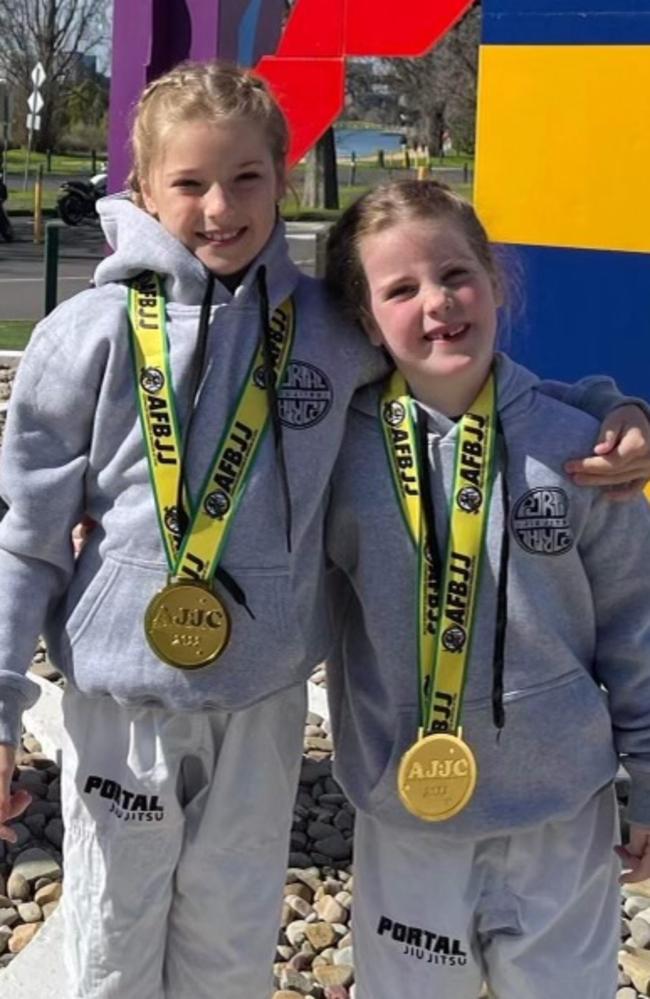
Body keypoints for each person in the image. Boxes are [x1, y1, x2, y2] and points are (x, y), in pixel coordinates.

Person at [0, 63, 647, 999]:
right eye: (189, 183)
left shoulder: (328, 332)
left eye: (247, 178)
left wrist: (616, 410)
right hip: (122, 701)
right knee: (111, 938)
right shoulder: (84, 337)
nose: (219, 206)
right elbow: (25, 535)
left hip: (261, 700)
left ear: (284, 180)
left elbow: (480, 386)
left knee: (230, 939)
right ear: (142, 190)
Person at [324, 179, 650, 999]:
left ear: (496, 280)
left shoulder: (580, 452)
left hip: (561, 811)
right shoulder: (335, 453)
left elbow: (637, 626)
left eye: (456, 274)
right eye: (401, 289)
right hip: (408, 817)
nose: (437, 303)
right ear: (365, 319)